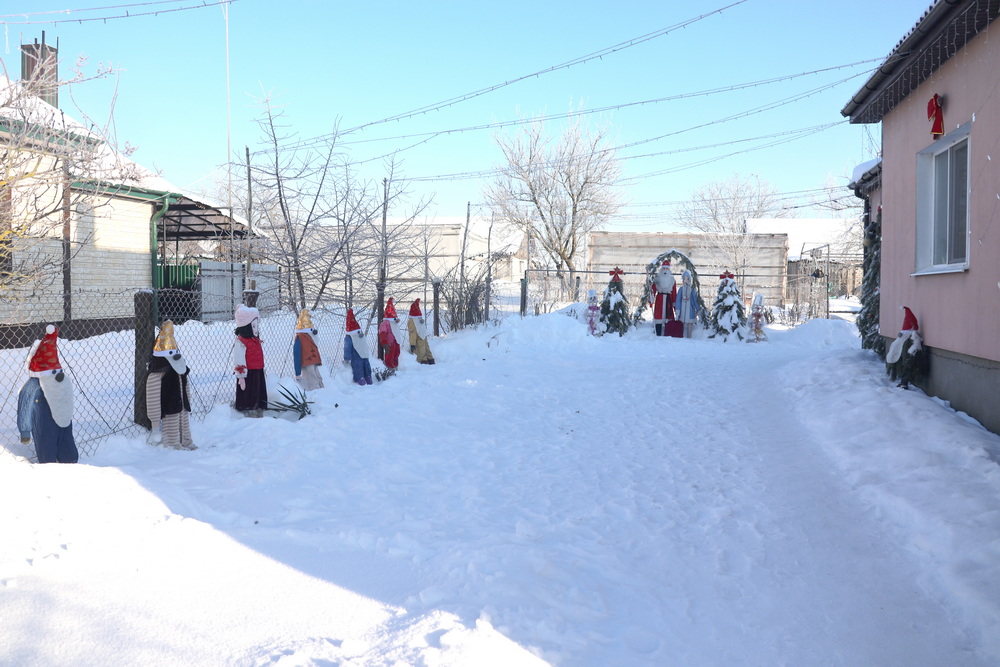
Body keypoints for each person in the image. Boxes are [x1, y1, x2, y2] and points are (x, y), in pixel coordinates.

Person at [17, 324, 78, 463]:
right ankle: (49, 466)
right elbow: (25, 406)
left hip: (64, 422)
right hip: (44, 422)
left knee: (69, 453)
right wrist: (25, 431)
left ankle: (69, 459)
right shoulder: (34, 385)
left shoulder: (62, 380)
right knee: (47, 452)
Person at [145, 320, 196, 450]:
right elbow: (153, 398)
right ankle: (173, 446)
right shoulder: (157, 372)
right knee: (172, 424)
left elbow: (186, 387)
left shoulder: (180, 367)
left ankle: (186, 441)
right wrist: (155, 424)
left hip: (182, 406)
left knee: (184, 423)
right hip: (169, 407)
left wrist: (187, 402)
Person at [233, 303, 267, 416]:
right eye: (253, 326)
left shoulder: (255, 339)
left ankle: (259, 407)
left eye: (257, 325)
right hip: (248, 373)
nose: (256, 329)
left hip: (258, 370)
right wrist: (241, 376)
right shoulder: (241, 342)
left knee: (258, 391)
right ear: (246, 326)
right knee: (250, 392)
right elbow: (239, 359)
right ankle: (249, 410)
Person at [293, 308, 324, 391]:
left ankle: (320, 396)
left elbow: (297, 355)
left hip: (309, 361)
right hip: (309, 361)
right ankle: (319, 396)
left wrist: (298, 372)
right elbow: (297, 355)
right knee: (315, 380)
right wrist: (298, 372)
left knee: (316, 379)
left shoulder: (305, 337)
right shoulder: (304, 338)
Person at [343, 308, 373, 385]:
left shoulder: (349, 337)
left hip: (357, 356)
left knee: (358, 366)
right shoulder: (360, 334)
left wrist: (347, 358)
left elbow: (347, 348)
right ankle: (368, 377)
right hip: (364, 354)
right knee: (365, 365)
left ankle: (361, 378)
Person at [650, 260, 676, 336]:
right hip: (660, 299)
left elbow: (674, 293)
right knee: (659, 317)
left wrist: (675, 306)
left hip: (668, 300)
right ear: (661, 269)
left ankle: (668, 333)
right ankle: (658, 333)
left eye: (666, 269)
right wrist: (651, 300)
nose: (665, 270)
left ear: (669, 269)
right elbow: (653, 290)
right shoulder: (657, 279)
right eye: (663, 268)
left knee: (669, 317)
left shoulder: (672, 280)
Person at [407, 299, 435, 365]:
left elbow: (412, 333)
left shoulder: (412, 321)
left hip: (418, 338)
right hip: (423, 337)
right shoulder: (420, 320)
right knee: (426, 349)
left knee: (421, 352)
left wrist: (412, 344)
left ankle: (423, 362)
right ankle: (430, 360)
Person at [674, 270, 701, 338]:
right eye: (684, 279)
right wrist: (678, 310)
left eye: (687, 279)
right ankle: (681, 335)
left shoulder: (692, 289)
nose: (686, 280)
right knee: (681, 323)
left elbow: (695, 300)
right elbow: (678, 300)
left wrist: (698, 308)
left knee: (690, 323)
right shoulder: (681, 289)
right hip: (682, 309)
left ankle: (689, 336)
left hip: (690, 309)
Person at [378, 298, 402, 371]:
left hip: (396, 341)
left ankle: (395, 366)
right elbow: (382, 333)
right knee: (390, 355)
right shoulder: (385, 323)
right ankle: (390, 367)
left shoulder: (394, 323)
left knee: (396, 353)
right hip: (389, 343)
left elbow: (396, 331)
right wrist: (384, 343)